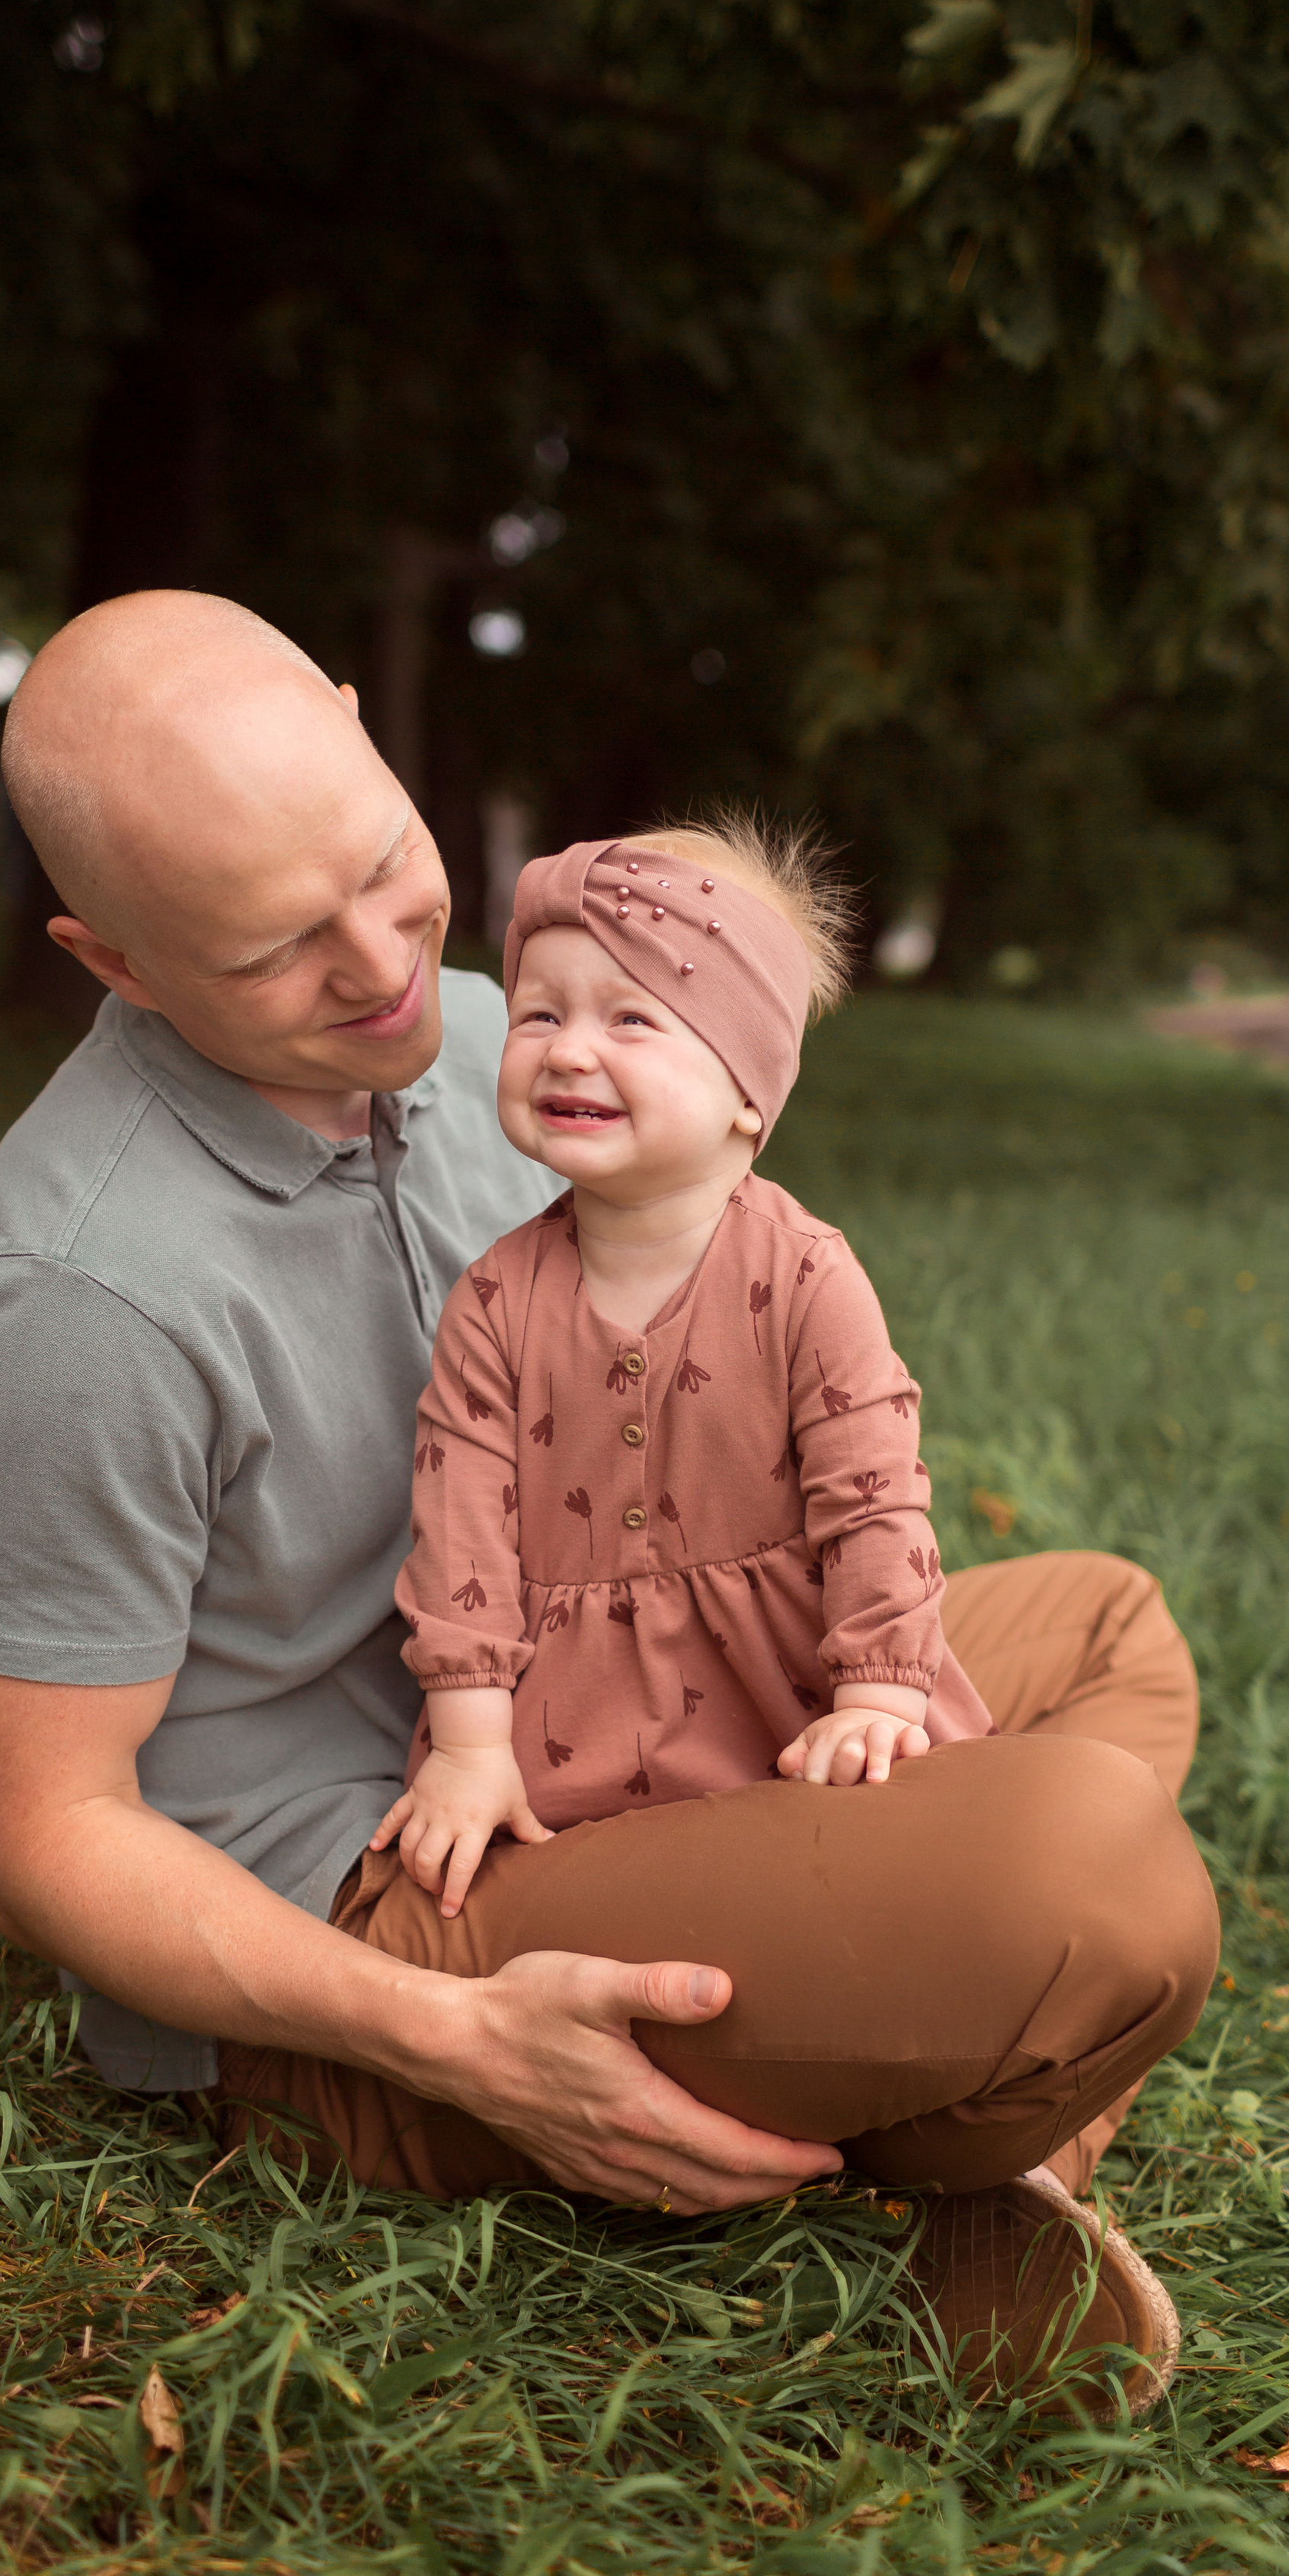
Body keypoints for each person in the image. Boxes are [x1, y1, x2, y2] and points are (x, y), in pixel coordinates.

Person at [0, 589, 1218, 2417]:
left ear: (360, 721)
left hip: (606, 1708)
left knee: (1103, 1628)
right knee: (1087, 1878)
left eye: (383, 863)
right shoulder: (67, 1297)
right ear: (110, 960)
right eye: (274, 949)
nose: (378, 965)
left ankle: (983, 2149)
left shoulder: (480, 1040)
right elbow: (33, 1833)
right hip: (385, 1882)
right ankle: (886, 2069)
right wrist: (452, 2039)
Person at [375, 820, 991, 1921]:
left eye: (630, 1019)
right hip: (567, 1745)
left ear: (748, 1088)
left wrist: (875, 1696)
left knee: (918, 1882)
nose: (569, 1051)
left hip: (794, 1712)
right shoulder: (496, 1303)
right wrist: (469, 1749)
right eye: (540, 1014)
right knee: (549, 1902)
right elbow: (462, 1546)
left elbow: (872, 1500)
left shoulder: (805, 1276)